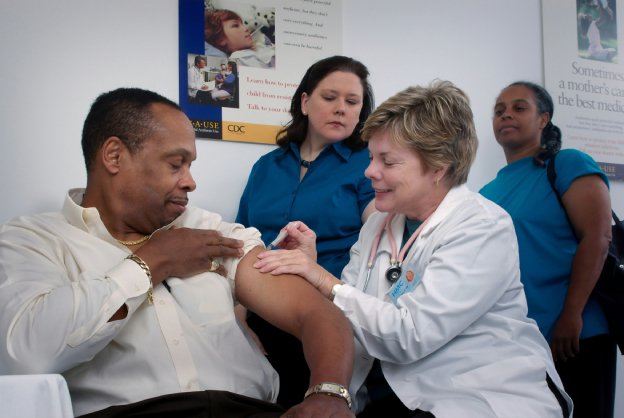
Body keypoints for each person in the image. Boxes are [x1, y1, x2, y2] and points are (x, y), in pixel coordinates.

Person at [0, 87, 356, 418]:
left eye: (191, 166)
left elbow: (314, 313)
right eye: (176, 164)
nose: (190, 181)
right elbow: (28, 354)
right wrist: (152, 262)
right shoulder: (33, 241)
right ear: (114, 156)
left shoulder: (209, 230)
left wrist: (329, 392)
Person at [252, 80, 573, 417]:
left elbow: (409, 336)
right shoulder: (380, 224)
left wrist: (320, 278)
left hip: (477, 396)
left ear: (439, 167)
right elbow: (349, 317)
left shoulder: (482, 225)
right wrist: (311, 269)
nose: (369, 171)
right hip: (387, 396)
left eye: (387, 162)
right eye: (372, 157)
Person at [235, 55, 376, 408]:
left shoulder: (371, 165)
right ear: (305, 101)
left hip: (331, 314)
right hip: (262, 310)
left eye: (352, 101)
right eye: (330, 98)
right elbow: (239, 245)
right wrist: (238, 317)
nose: (341, 109)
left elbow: (381, 239)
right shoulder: (267, 166)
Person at [480, 81, 616, 418]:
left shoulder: (567, 164)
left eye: (519, 107)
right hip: (517, 340)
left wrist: (571, 315)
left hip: (574, 335)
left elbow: (597, 238)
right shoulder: (486, 191)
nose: (506, 114)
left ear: (544, 119)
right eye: (499, 110)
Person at [204, 9, 275, 69]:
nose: (246, 29)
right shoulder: (240, 58)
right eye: (235, 25)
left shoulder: (252, 50)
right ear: (221, 40)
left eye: (242, 24)